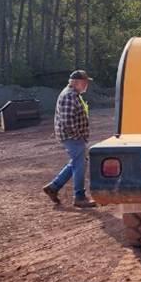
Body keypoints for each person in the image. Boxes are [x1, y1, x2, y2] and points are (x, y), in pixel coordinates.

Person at [43, 70, 97, 208]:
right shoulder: (69, 96)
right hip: (72, 137)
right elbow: (67, 121)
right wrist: (78, 136)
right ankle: (79, 197)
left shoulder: (74, 95)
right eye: (84, 82)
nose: (86, 85)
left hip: (73, 137)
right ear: (76, 83)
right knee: (80, 164)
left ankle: (54, 187)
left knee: (78, 162)